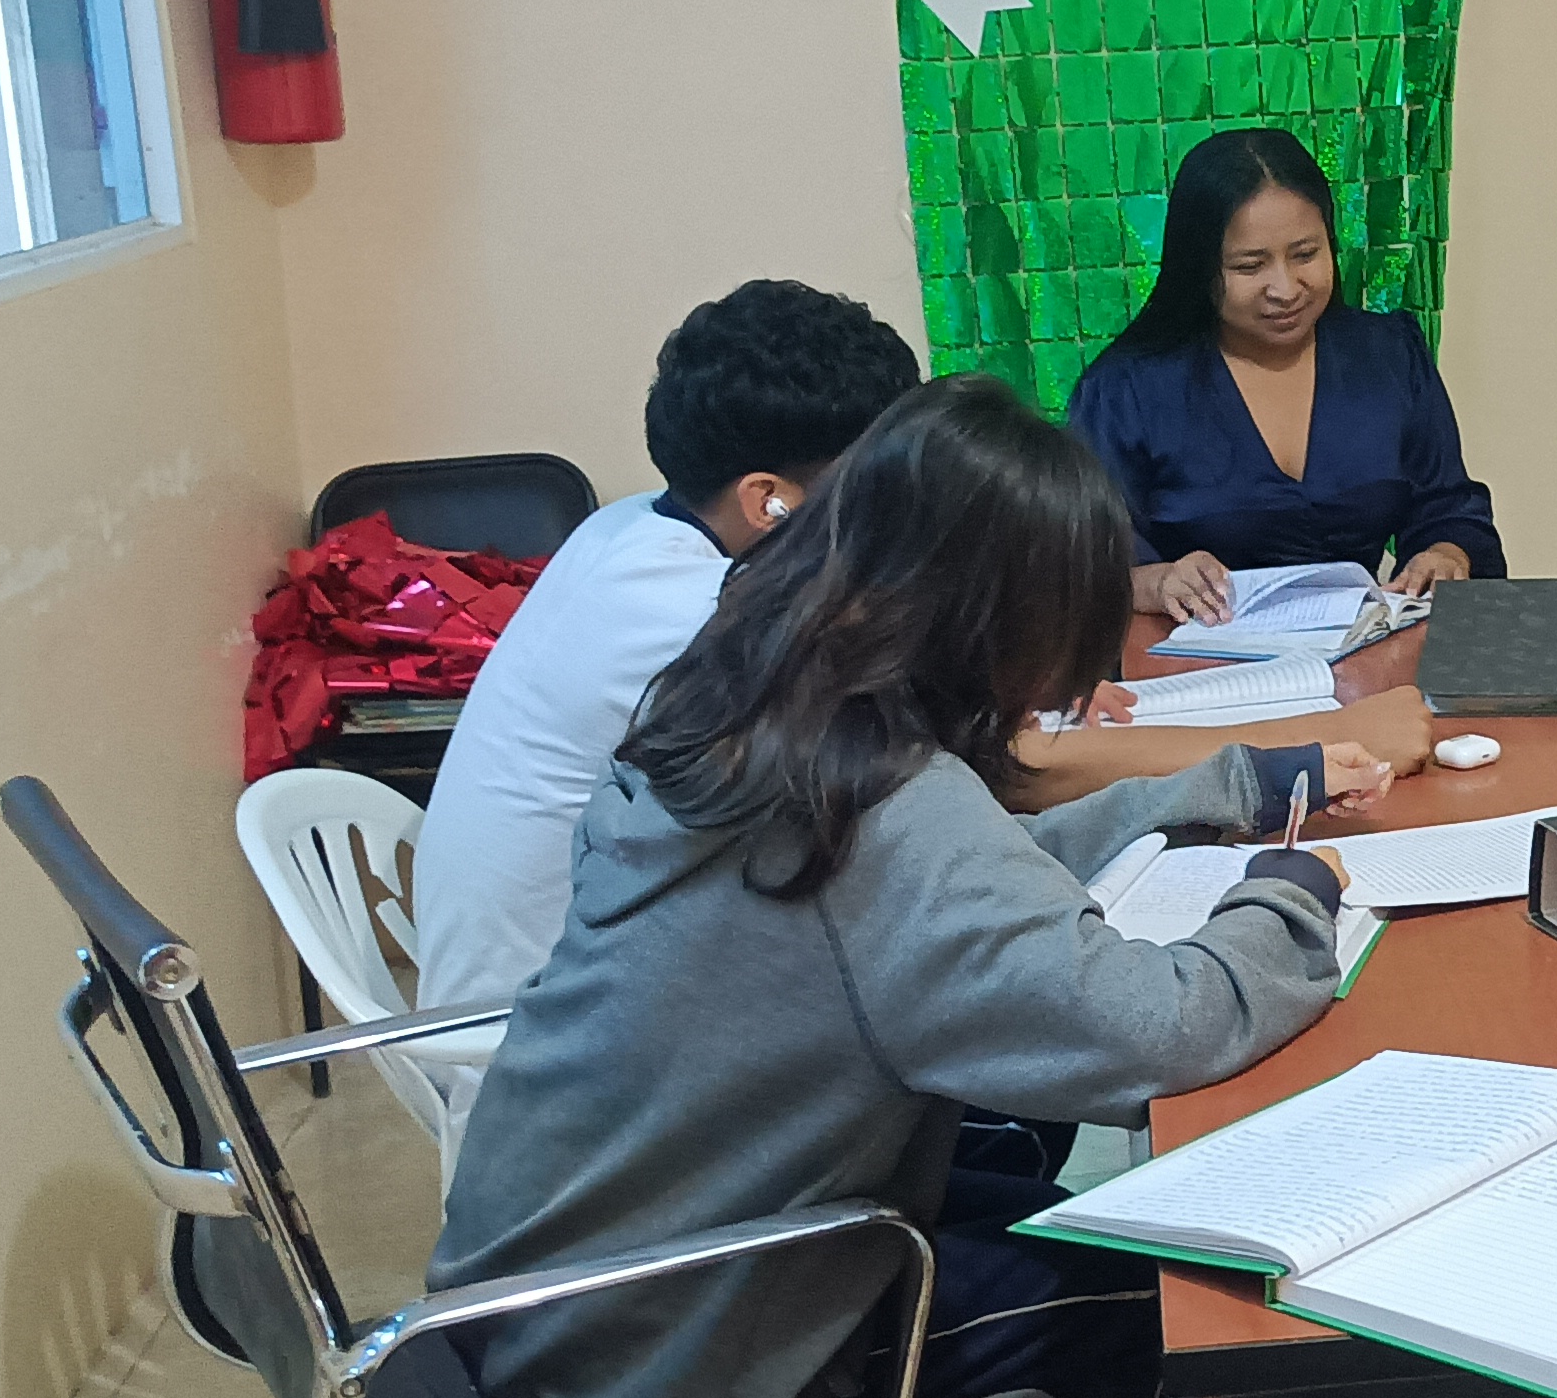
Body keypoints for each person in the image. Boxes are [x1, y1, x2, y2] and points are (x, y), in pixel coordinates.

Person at [430, 374, 1390, 1398]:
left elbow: (968, 869)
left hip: (537, 1294)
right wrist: (1290, 893)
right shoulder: (883, 811)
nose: (1064, 689)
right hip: (670, 1374)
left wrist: (1225, 788)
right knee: (1171, 1299)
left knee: (1042, 1180)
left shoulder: (747, 707)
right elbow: (1157, 1031)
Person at [410, 280, 1432, 1060]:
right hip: (590, 1037)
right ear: (769, 499)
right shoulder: (710, 623)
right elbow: (1006, 778)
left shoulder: (640, 532)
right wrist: (1306, 751)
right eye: (882, 483)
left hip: (651, 1004)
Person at [1065, 128, 1504, 621]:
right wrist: (1157, 582)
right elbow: (1078, 568)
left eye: (1305, 255)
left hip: (1364, 648)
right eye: (1250, 266)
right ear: (1199, 269)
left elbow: (1448, 506)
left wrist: (1445, 554)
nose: (1286, 289)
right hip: (1195, 654)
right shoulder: (1123, 392)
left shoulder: (1388, 354)